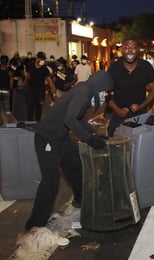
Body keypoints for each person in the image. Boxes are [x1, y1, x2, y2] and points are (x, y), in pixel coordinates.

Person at [23, 70, 114, 232]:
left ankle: (81, 200)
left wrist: (94, 135)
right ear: (100, 85)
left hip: (60, 137)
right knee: (50, 182)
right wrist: (90, 140)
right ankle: (34, 224)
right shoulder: (84, 92)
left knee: (76, 167)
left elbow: (79, 118)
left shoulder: (84, 90)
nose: (104, 95)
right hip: (47, 138)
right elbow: (70, 119)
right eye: (105, 91)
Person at [106, 39, 154, 137]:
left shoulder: (146, 67)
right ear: (122, 50)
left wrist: (141, 106)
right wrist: (118, 110)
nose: (130, 50)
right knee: (115, 141)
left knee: (140, 143)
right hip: (119, 113)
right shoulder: (114, 67)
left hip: (140, 114)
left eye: (133, 47)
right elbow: (106, 93)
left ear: (137, 50)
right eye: (126, 47)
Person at [24, 51, 54, 121]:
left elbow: (49, 80)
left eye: (44, 59)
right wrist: (24, 82)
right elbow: (28, 75)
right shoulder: (30, 65)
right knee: (30, 107)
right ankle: (30, 123)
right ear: (37, 58)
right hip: (31, 90)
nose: (43, 61)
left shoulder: (44, 69)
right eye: (42, 59)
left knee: (38, 108)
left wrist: (53, 91)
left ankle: (37, 123)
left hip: (40, 92)